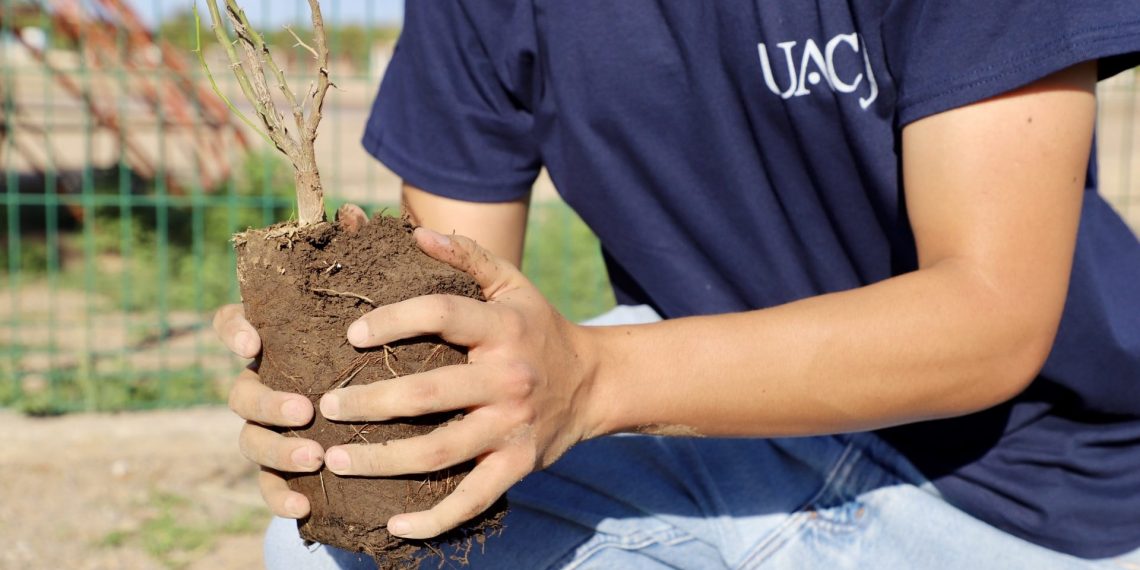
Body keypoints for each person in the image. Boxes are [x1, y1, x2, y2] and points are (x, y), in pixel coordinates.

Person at [213, 2, 1140, 568]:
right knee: (331, 558)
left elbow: (989, 316)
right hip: (727, 429)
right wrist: (358, 395)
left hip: (1008, 495)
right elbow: (459, 281)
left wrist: (591, 378)